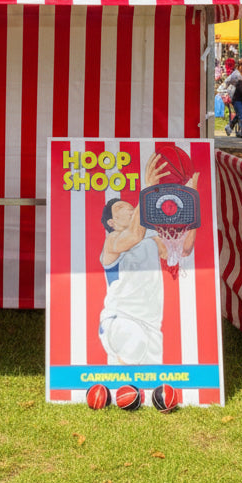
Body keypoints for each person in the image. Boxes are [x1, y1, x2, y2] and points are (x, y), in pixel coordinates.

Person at [97, 153, 173, 365]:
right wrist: (148, 189)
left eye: (129, 205)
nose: (128, 207)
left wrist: (191, 196)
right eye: (120, 207)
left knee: (141, 385)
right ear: (112, 222)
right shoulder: (112, 241)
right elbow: (133, 234)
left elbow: (180, 251)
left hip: (151, 324)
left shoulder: (150, 238)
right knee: (131, 373)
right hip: (122, 319)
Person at [222, 60, 242, 136]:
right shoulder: (235, 74)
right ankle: (241, 130)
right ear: (239, 66)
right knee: (240, 113)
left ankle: (230, 126)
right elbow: (227, 82)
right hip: (237, 97)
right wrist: (224, 92)